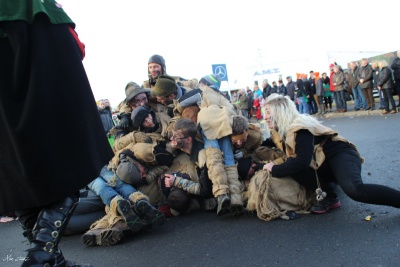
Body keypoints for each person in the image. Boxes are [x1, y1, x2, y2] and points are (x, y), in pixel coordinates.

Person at [0, 2, 114, 266]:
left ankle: (51, 258)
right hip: (35, 29)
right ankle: (41, 254)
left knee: (19, 166)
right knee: (72, 152)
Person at [262, 94, 400, 215]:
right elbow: (265, 143)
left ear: (280, 112)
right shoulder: (279, 129)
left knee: (355, 190)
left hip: (340, 154)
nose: (265, 117)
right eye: (264, 112)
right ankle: (329, 194)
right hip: (324, 162)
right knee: (293, 167)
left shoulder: (300, 128)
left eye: (268, 112)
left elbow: (302, 162)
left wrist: (274, 168)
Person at [177, 76, 244, 216]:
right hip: (225, 125)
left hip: (208, 123)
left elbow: (181, 102)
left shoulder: (201, 91)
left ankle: (221, 195)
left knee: (214, 158)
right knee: (229, 160)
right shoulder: (223, 96)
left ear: (205, 83)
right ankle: (236, 199)